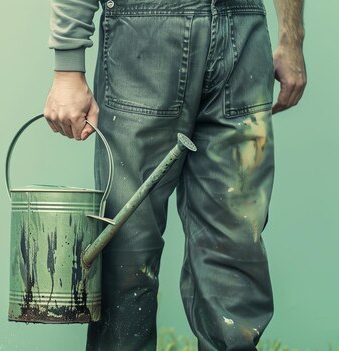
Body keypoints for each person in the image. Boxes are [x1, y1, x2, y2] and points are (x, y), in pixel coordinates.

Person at [42, 0, 306, 349]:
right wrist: (67, 67)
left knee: (235, 248)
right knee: (126, 254)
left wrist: (292, 37)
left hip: (241, 29)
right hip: (147, 32)